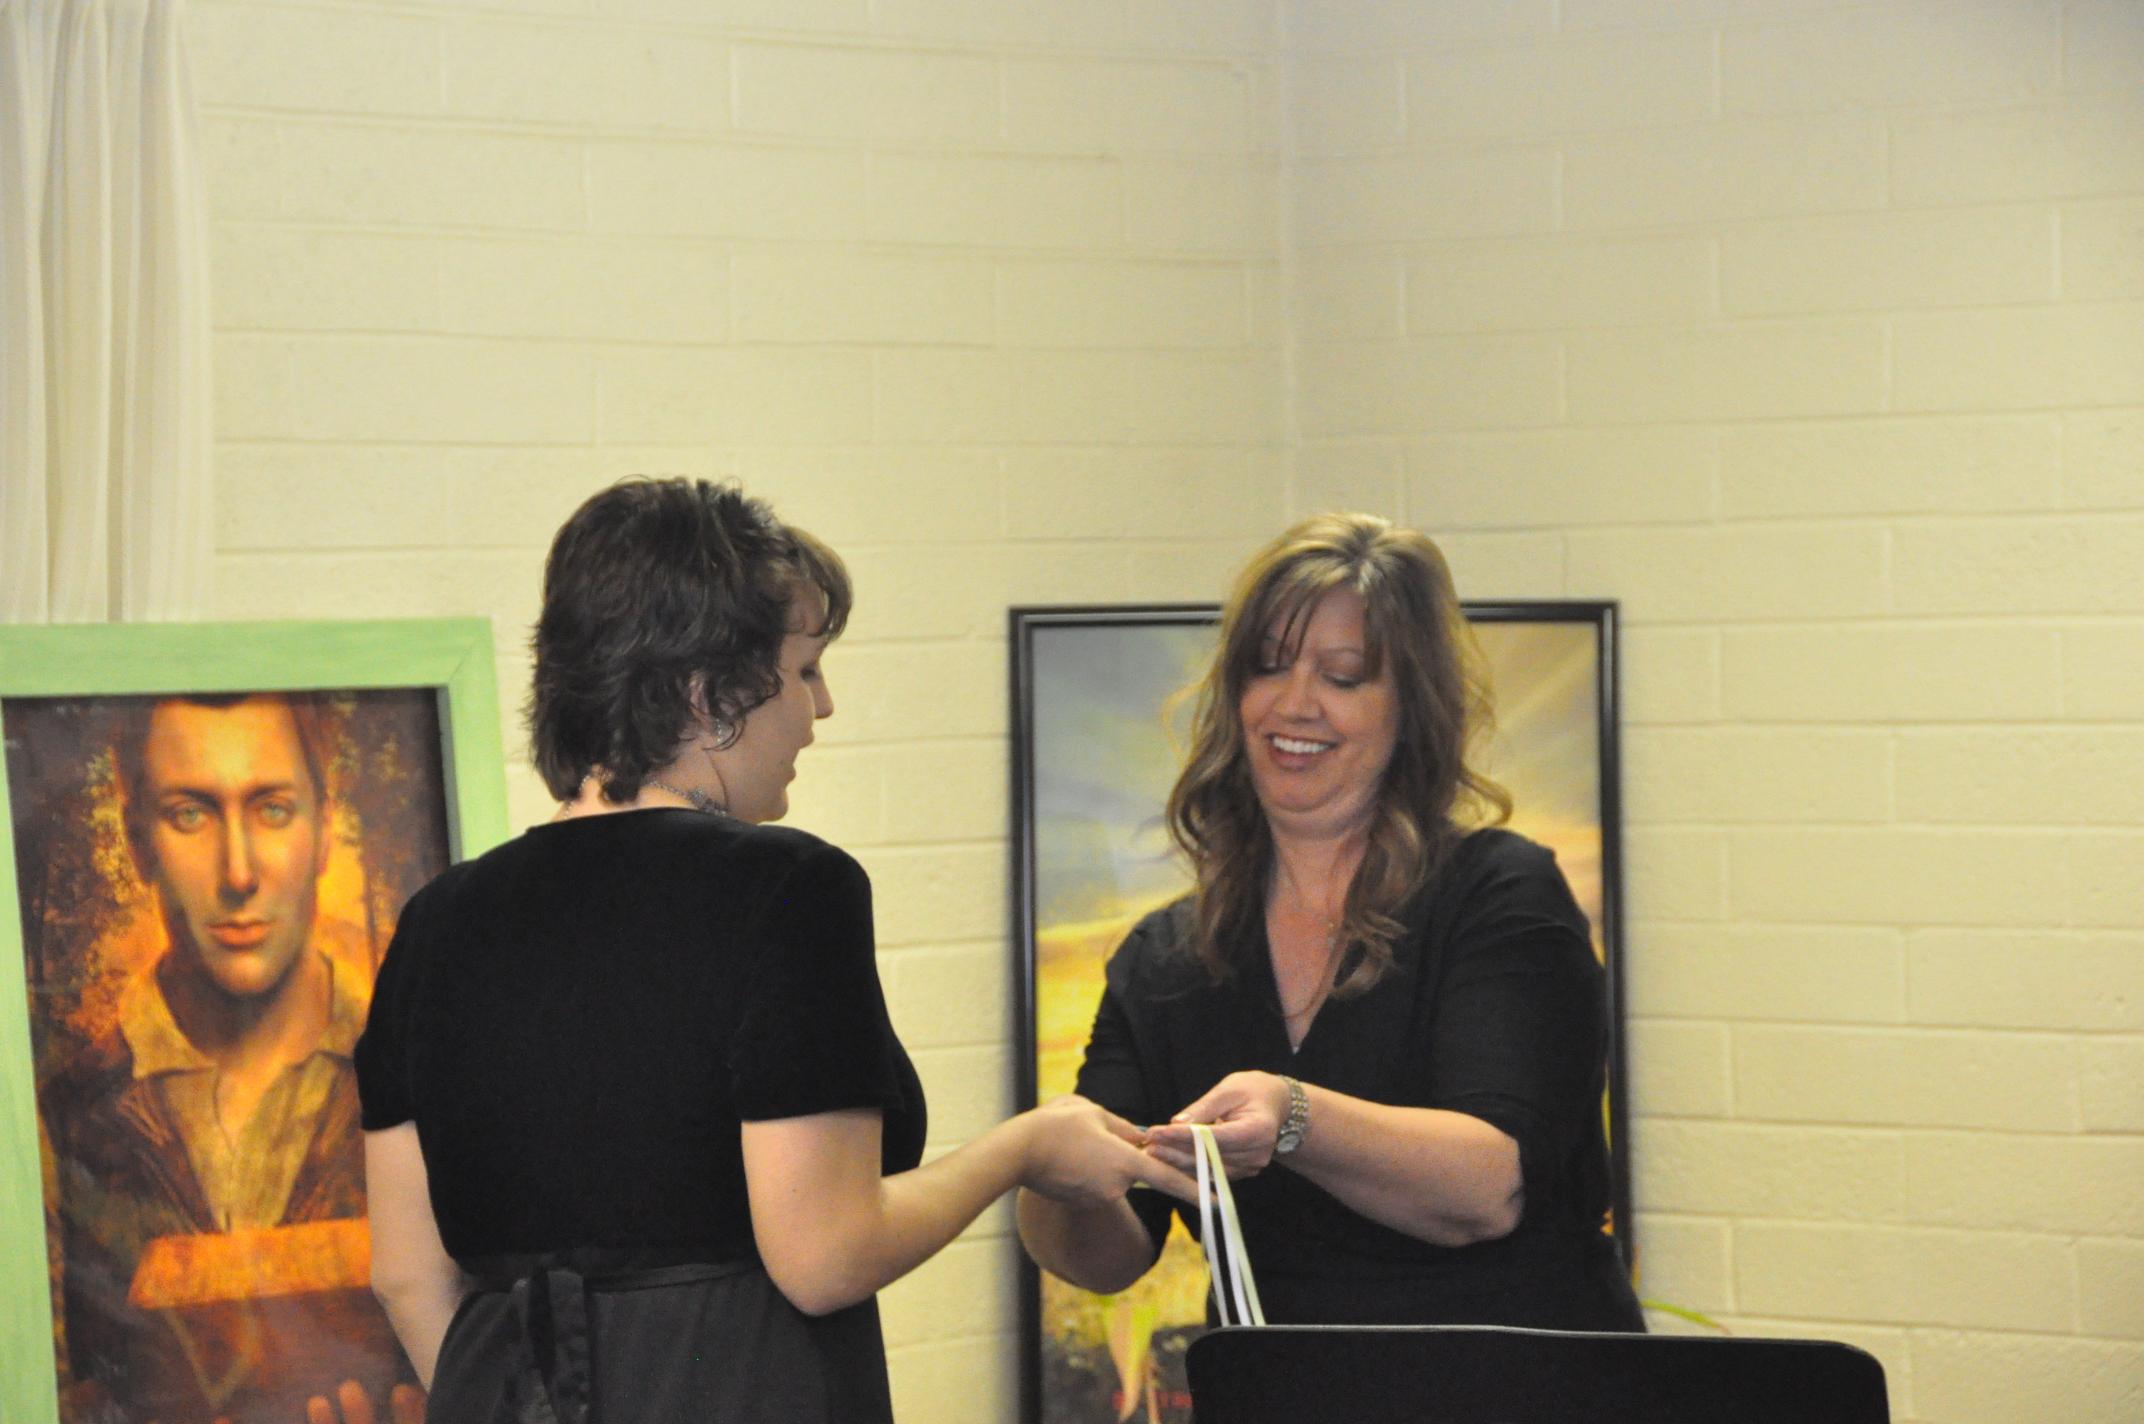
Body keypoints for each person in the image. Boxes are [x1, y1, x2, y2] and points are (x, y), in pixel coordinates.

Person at [355, 478, 1194, 1423]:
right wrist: (1021, 1150)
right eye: (804, 671)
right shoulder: (786, 888)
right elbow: (825, 1256)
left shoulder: (435, 921)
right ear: (708, 695)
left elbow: (406, 1277)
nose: (821, 707)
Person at [1017, 512, 1643, 1333]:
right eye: (1268, 667)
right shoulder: (1165, 959)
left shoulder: (1501, 895)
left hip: (1518, 1381)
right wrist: (1047, 1178)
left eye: (1343, 677)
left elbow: (1486, 1189)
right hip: (1280, 1387)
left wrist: (1293, 1115)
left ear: (1410, 706)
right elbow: (1110, 1256)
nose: (1294, 703)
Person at [41, 693, 421, 1423]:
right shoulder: (65, 1113)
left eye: (272, 809)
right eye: (191, 813)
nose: (238, 872)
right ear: (138, 843)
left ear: (325, 829)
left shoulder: (419, 1068)